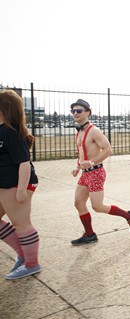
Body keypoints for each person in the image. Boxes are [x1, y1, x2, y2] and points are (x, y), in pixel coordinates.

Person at [70, 99, 130, 245]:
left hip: (95, 172)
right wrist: (77, 167)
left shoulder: (94, 131)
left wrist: (92, 162)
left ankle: (129, 215)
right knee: (78, 203)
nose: (75, 113)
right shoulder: (79, 132)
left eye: (79, 111)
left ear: (87, 112)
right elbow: (82, 153)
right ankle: (89, 234)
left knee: (98, 207)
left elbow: (108, 150)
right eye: (73, 111)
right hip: (85, 174)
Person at [0, 89, 41, 280]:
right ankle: (23, 255)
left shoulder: (10, 132)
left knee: (22, 224)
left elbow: (24, 162)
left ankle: (31, 264)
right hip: (5, 184)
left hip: (16, 185)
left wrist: (22, 190)